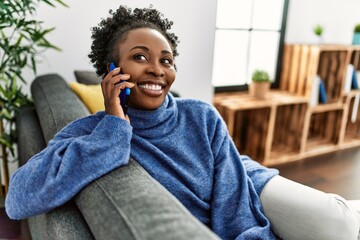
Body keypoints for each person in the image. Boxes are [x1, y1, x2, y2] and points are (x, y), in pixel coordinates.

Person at [5, 5, 360, 240]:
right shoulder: (94, 134)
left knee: (342, 221)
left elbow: (233, 199)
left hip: (242, 176)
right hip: (216, 177)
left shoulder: (200, 115)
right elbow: (17, 200)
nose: (157, 69)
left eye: (166, 60)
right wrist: (114, 128)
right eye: (140, 57)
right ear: (112, 71)